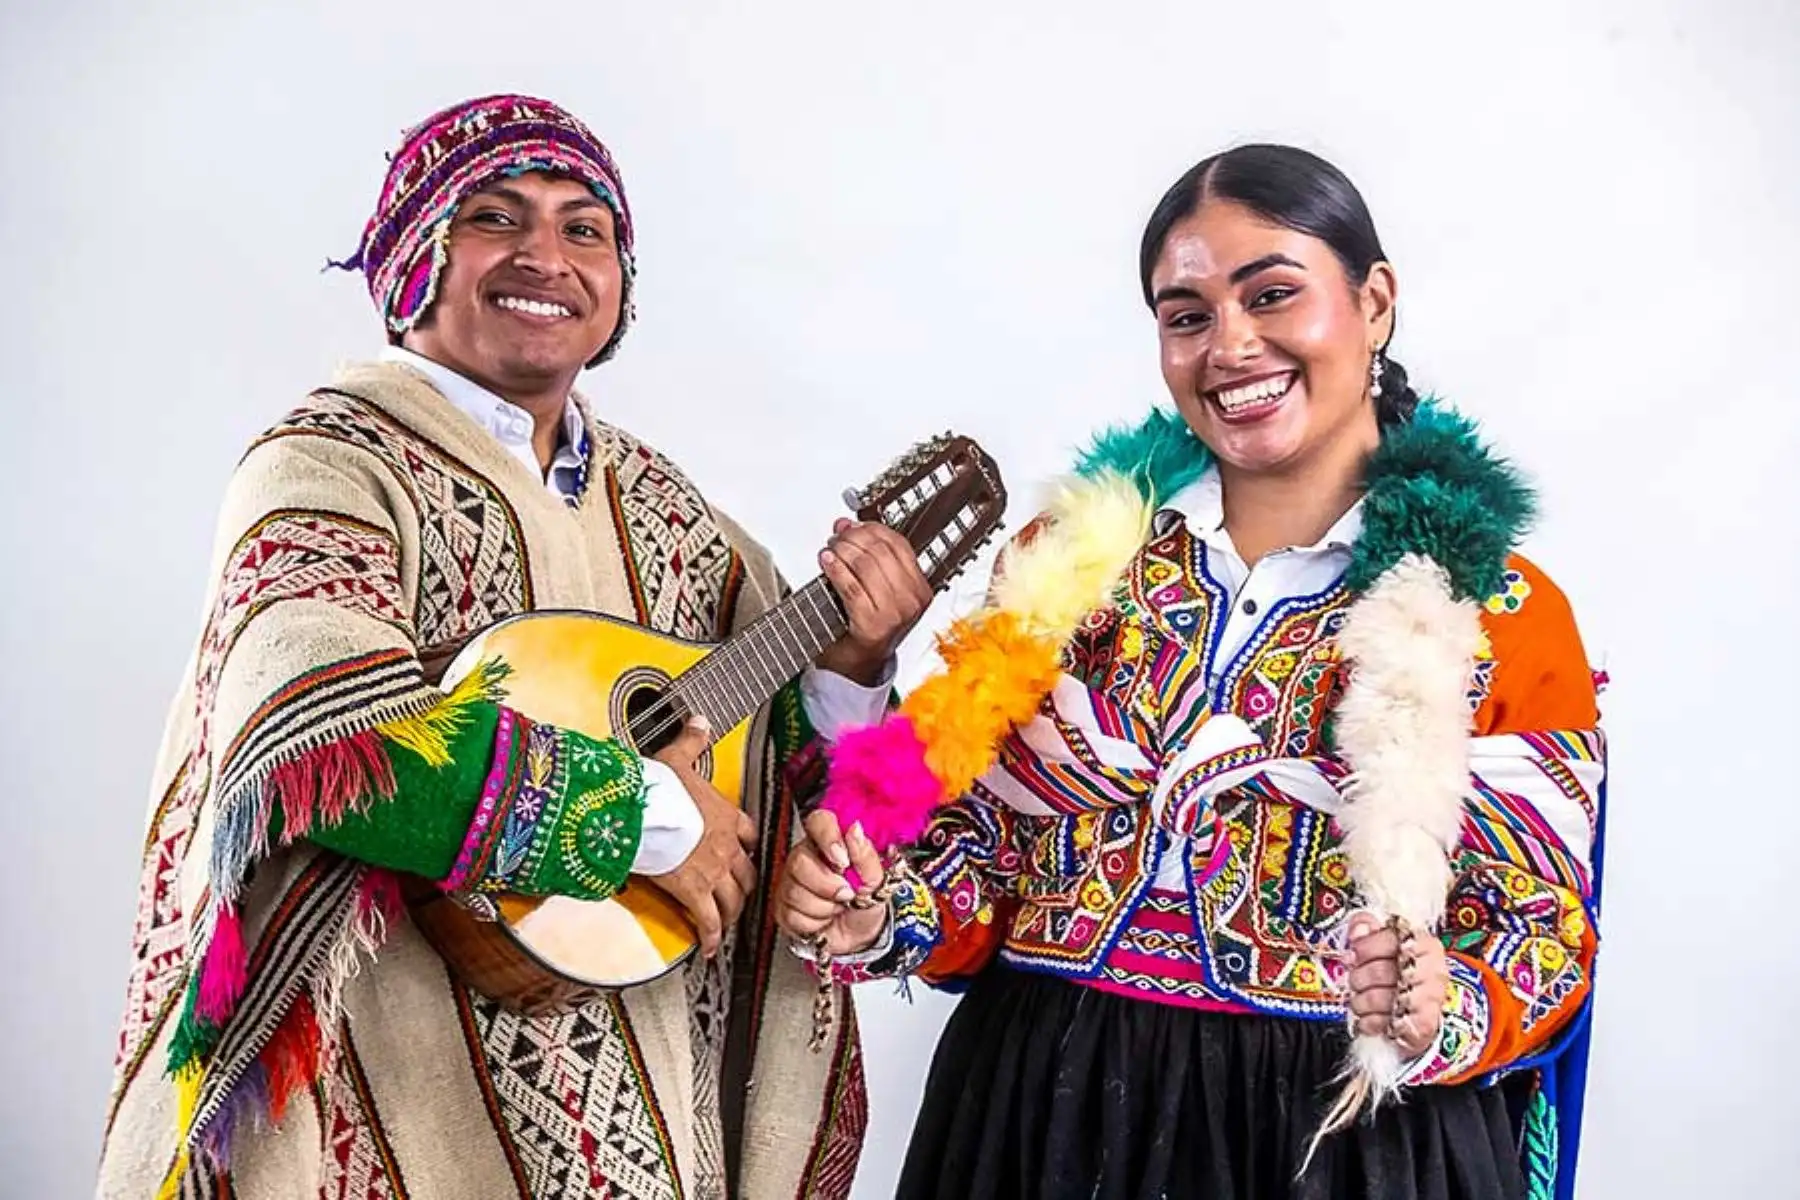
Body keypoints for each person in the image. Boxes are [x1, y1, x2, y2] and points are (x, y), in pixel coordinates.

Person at [98, 92, 929, 1200]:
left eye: (586, 229)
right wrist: (642, 818)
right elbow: (319, 740)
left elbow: (794, 796)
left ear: (619, 286)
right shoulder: (326, 464)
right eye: (496, 216)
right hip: (385, 1086)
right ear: (413, 263)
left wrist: (855, 665)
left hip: (638, 1101)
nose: (548, 254)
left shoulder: (678, 519)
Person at [777, 144, 1607, 1200]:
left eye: (1272, 295)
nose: (1231, 346)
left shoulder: (1499, 612)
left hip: (1340, 1146)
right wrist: (882, 911)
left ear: (1376, 300)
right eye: (1188, 316)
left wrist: (1441, 1004)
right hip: (1045, 1110)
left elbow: (1544, 933)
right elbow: (983, 853)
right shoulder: (1066, 565)